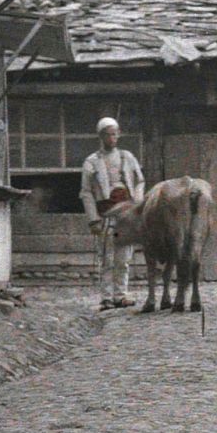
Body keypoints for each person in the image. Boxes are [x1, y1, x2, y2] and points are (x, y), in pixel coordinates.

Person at [80, 116, 144, 310]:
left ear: (119, 134)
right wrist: (93, 220)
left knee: (123, 258)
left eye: (115, 134)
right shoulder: (91, 161)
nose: (112, 138)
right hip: (106, 213)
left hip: (125, 213)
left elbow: (140, 180)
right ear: (101, 136)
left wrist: (138, 203)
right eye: (108, 135)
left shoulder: (127, 157)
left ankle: (121, 294)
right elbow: (86, 191)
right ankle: (107, 297)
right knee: (107, 257)